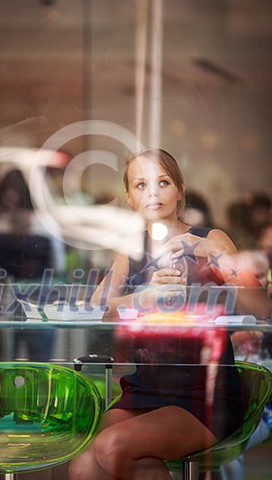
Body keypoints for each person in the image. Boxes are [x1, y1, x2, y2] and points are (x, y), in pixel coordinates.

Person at [69, 148, 271, 480]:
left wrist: (218, 256)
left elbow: (262, 308)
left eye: (162, 182)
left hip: (203, 394)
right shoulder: (132, 251)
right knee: (84, 467)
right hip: (145, 388)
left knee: (112, 447)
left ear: (179, 190)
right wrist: (144, 296)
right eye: (141, 185)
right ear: (130, 198)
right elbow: (96, 309)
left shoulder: (210, 239)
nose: (152, 193)